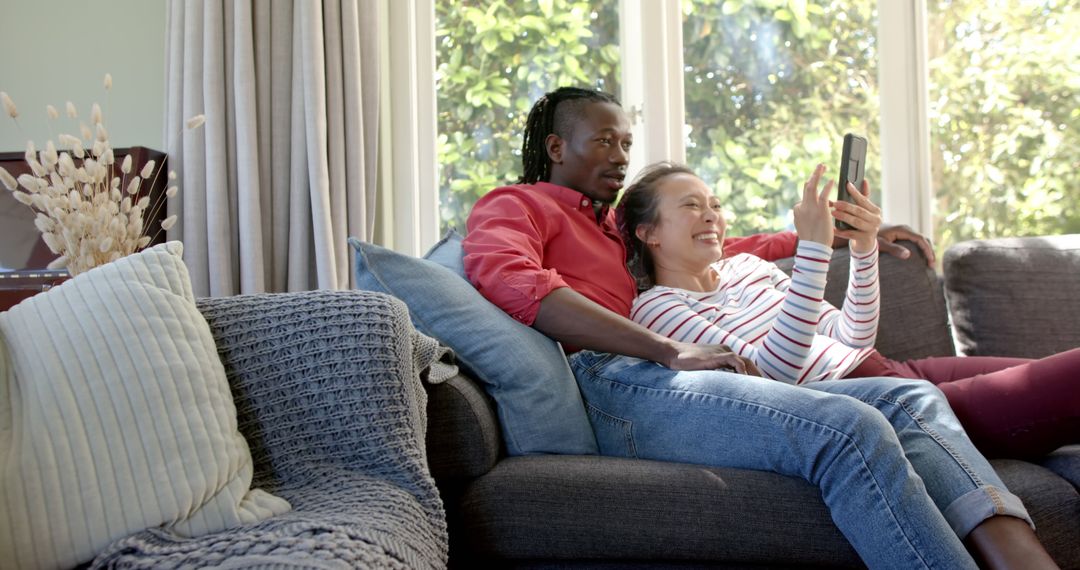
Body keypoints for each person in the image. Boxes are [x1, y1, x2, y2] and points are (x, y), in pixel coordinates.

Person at [463, 86, 1057, 569]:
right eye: (603, 141)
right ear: (556, 147)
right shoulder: (515, 205)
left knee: (909, 397)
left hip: (650, 367)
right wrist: (668, 349)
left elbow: (725, 247)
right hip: (615, 375)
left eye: (626, 143)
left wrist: (837, 238)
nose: (620, 156)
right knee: (849, 426)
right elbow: (514, 281)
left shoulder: (613, 226)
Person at [618, 161, 1080, 462]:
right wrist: (814, 248)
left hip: (897, 370)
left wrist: (862, 248)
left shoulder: (748, 267)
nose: (711, 216)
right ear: (648, 233)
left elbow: (852, 336)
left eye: (715, 205)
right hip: (875, 403)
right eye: (691, 206)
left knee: (1055, 373)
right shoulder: (658, 310)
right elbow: (773, 377)